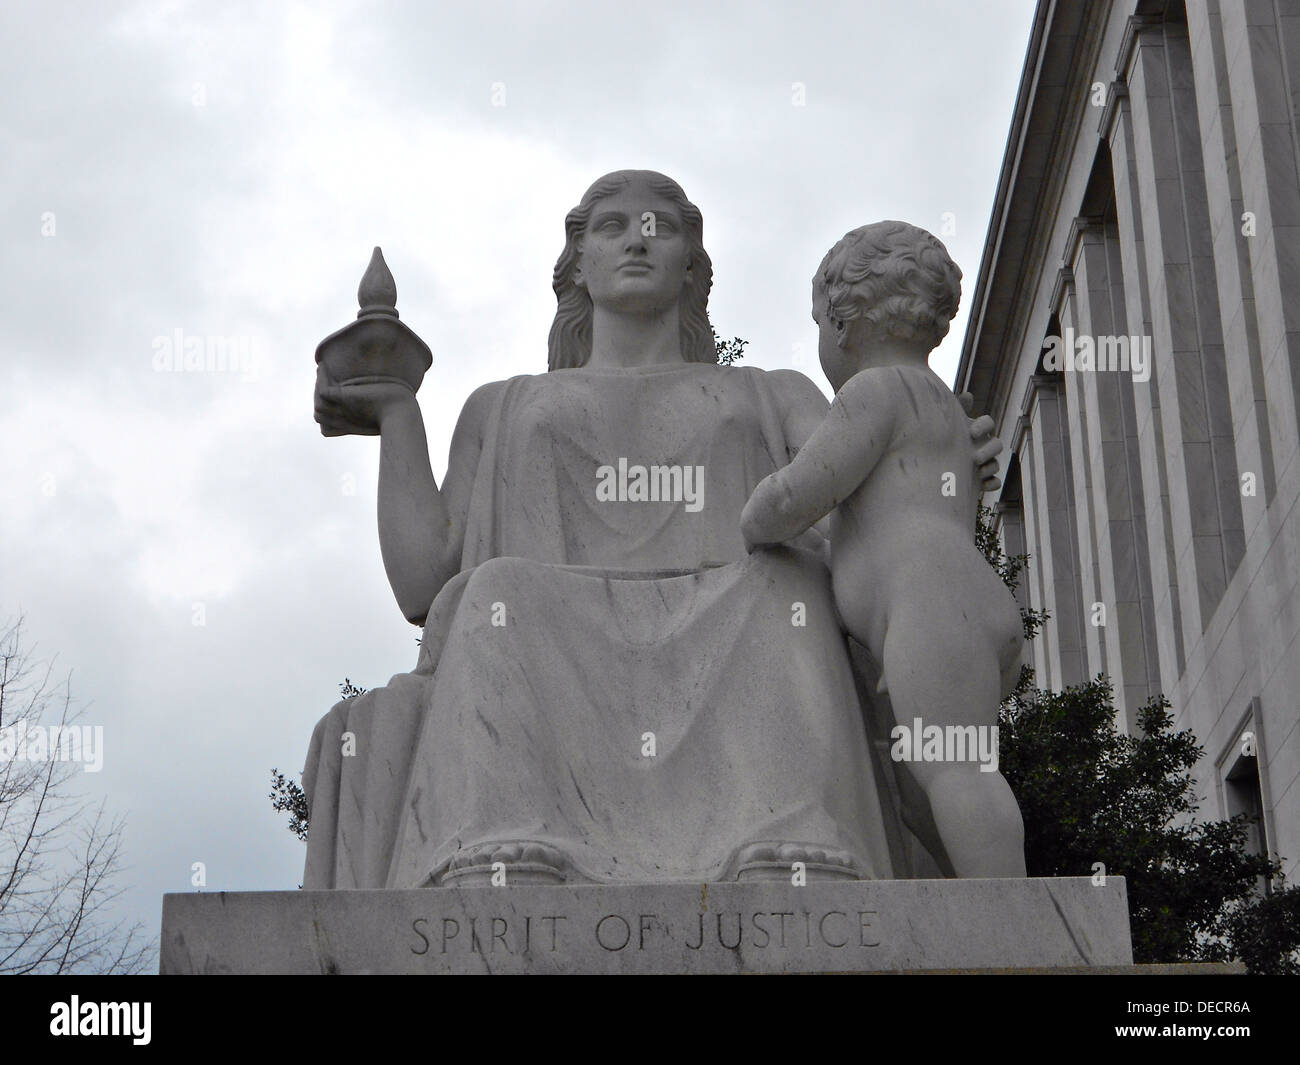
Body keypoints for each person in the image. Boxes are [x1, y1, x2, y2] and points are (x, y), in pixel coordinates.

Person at [306, 173, 1006, 888]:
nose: (638, 239)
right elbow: (424, 581)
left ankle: (792, 837)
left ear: (693, 266)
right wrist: (399, 417)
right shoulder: (504, 406)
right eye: (612, 226)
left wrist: (936, 467)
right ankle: (509, 844)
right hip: (543, 638)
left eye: (660, 228)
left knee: (783, 583)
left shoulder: (770, 392)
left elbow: (861, 511)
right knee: (497, 592)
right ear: (578, 262)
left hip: (745, 627)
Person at [741, 221, 1026, 876]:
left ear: (842, 322)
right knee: (922, 783)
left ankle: (1011, 916)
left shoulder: (874, 393)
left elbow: (801, 493)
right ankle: (974, 892)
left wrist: (755, 515)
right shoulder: (941, 406)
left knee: (957, 772)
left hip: (928, 608)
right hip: (953, 606)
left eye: (819, 324)